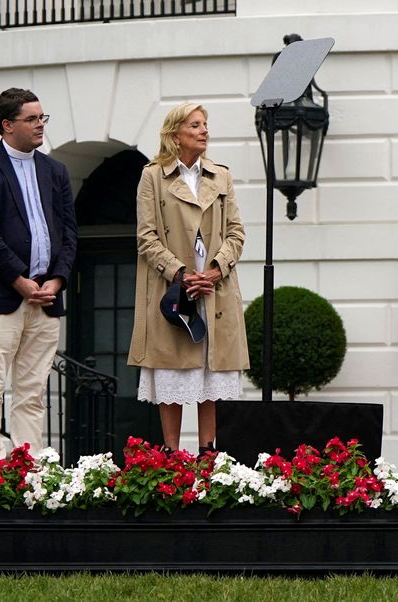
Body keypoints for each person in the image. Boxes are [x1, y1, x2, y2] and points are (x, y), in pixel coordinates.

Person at [127, 103, 249, 454]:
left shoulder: (221, 176)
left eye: (205, 124)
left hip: (215, 291)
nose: (204, 131)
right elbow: (146, 237)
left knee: (212, 374)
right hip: (173, 291)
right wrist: (181, 275)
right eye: (195, 125)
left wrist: (213, 271)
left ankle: (209, 455)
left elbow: (236, 233)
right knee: (174, 371)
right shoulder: (153, 176)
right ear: (175, 134)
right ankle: (172, 458)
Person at [0, 88, 77, 459]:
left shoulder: (56, 170)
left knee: (32, 392)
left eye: (42, 118)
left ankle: (27, 473)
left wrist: (58, 278)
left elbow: (69, 233)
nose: (40, 126)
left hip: (46, 299)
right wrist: (19, 280)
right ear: (7, 125)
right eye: (32, 119)